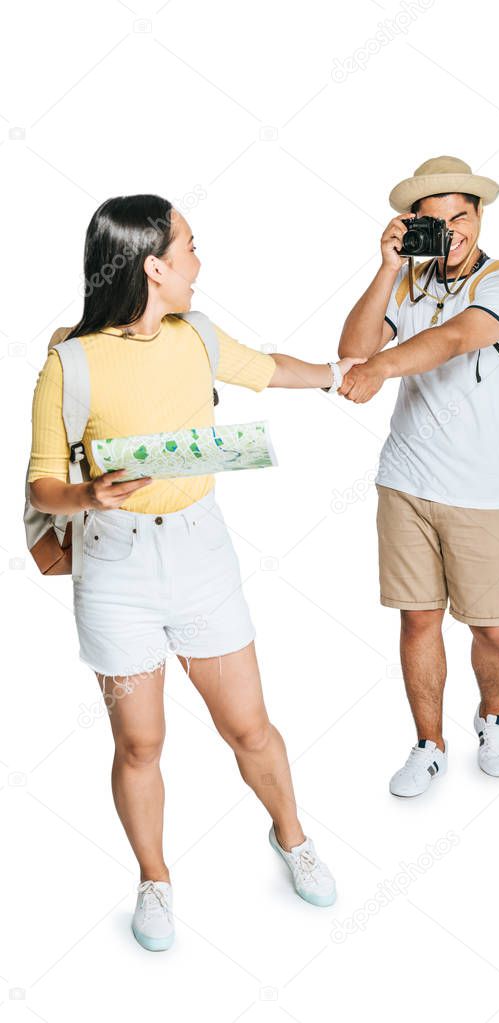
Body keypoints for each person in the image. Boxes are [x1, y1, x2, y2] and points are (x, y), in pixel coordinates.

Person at [28, 195, 363, 950]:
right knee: (140, 743)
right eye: (189, 248)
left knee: (248, 725)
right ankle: (154, 877)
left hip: (199, 553)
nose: (197, 263)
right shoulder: (68, 363)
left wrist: (340, 372)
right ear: (154, 266)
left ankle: (291, 836)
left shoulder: (197, 336)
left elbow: (268, 367)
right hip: (114, 566)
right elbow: (43, 483)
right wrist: (89, 494)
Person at [338, 156, 499, 797]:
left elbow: (453, 339)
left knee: (493, 629)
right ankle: (429, 744)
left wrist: (382, 368)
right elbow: (355, 348)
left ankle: (493, 719)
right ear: (413, 225)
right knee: (418, 620)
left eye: (463, 216)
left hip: (481, 491)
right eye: (436, 222)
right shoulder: (406, 282)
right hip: (406, 480)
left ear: (479, 216)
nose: (453, 232)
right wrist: (388, 266)